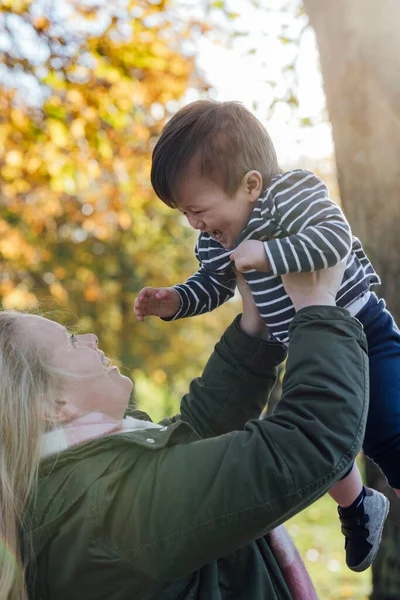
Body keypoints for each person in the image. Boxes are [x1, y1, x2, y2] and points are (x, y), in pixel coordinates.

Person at [134, 99, 397, 572]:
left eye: (198, 209)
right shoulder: (216, 237)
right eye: (185, 214)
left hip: (364, 331)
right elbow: (215, 284)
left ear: (250, 185)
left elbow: (333, 240)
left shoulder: (291, 193)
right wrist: (176, 301)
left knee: (388, 431)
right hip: (306, 347)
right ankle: (359, 506)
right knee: (307, 435)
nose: (196, 224)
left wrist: (268, 253)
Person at [1, 264, 366, 600]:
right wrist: (319, 307)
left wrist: (254, 328)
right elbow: (305, 443)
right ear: (54, 406)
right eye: (71, 341)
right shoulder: (105, 508)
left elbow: (194, 438)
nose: (92, 338)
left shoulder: (74, 488)